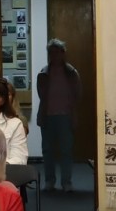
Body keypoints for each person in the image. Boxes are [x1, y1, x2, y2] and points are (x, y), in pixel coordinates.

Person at [35, 39, 82, 192]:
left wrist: (73, 114)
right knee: (47, 150)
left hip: (65, 116)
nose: (54, 55)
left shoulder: (71, 73)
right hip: (47, 116)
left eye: (57, 52)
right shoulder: (43, 73)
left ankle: (66, 182)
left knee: (66, 150)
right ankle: (49, 181)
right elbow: (41, 95)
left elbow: (77, 94)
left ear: (63, 53)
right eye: (51, 53)